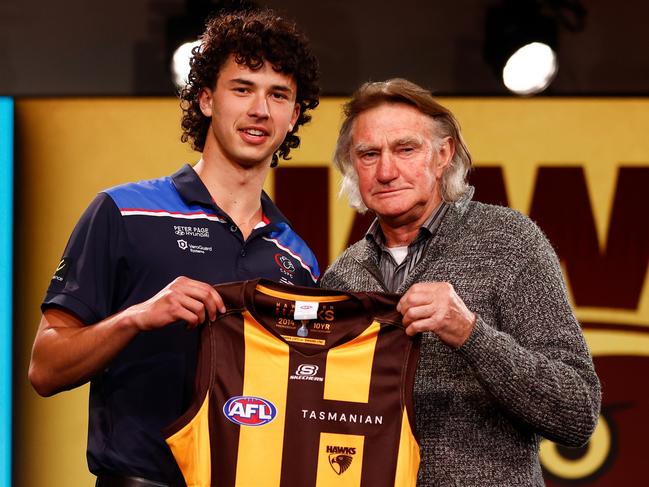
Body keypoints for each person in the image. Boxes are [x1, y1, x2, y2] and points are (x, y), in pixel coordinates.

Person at [29, 9, 320, 487]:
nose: (260, 110)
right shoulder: (123, 212)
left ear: (293, 115)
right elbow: (45, 369)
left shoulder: (298, 260)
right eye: (242, 89)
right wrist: (137, 316)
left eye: (278, 95)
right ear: (206, 99)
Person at [319, 78, 601, 486]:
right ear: (352, 165)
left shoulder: (510, 241)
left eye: (405, 149)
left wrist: (471, 333)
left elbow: (577, 412)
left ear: (443, 154)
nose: (385, 170)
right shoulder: (341, 277)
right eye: (368, 154)